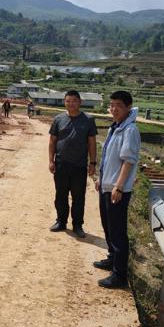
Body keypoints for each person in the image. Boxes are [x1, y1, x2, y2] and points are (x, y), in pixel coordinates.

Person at [94, 91, 141, 289]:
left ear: (128, 107)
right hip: (107, 185)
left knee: (118, 231)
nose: (114, 109)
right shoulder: (116, 127)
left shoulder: (130, 130)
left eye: (118, 106)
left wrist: (119, 187)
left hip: (117, 189)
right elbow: (108, 157)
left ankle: (119, 275)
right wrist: (101, 177)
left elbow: (128, 161)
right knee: (108, 226)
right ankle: (112, 258)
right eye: (112, 105)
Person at [48, 90, 97, 237]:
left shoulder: (88, 120)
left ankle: (77, 225)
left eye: (74, 100)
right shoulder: (58, 119)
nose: (71, 103)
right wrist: (51, 161)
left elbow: (92, 142)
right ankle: (61, 221)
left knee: (78, 197)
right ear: (64, 102)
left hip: (79, 165)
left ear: (80, 102)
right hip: (61, 164)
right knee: (61, 195)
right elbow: (52, 141)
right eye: (68, 101)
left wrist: (92, 163)